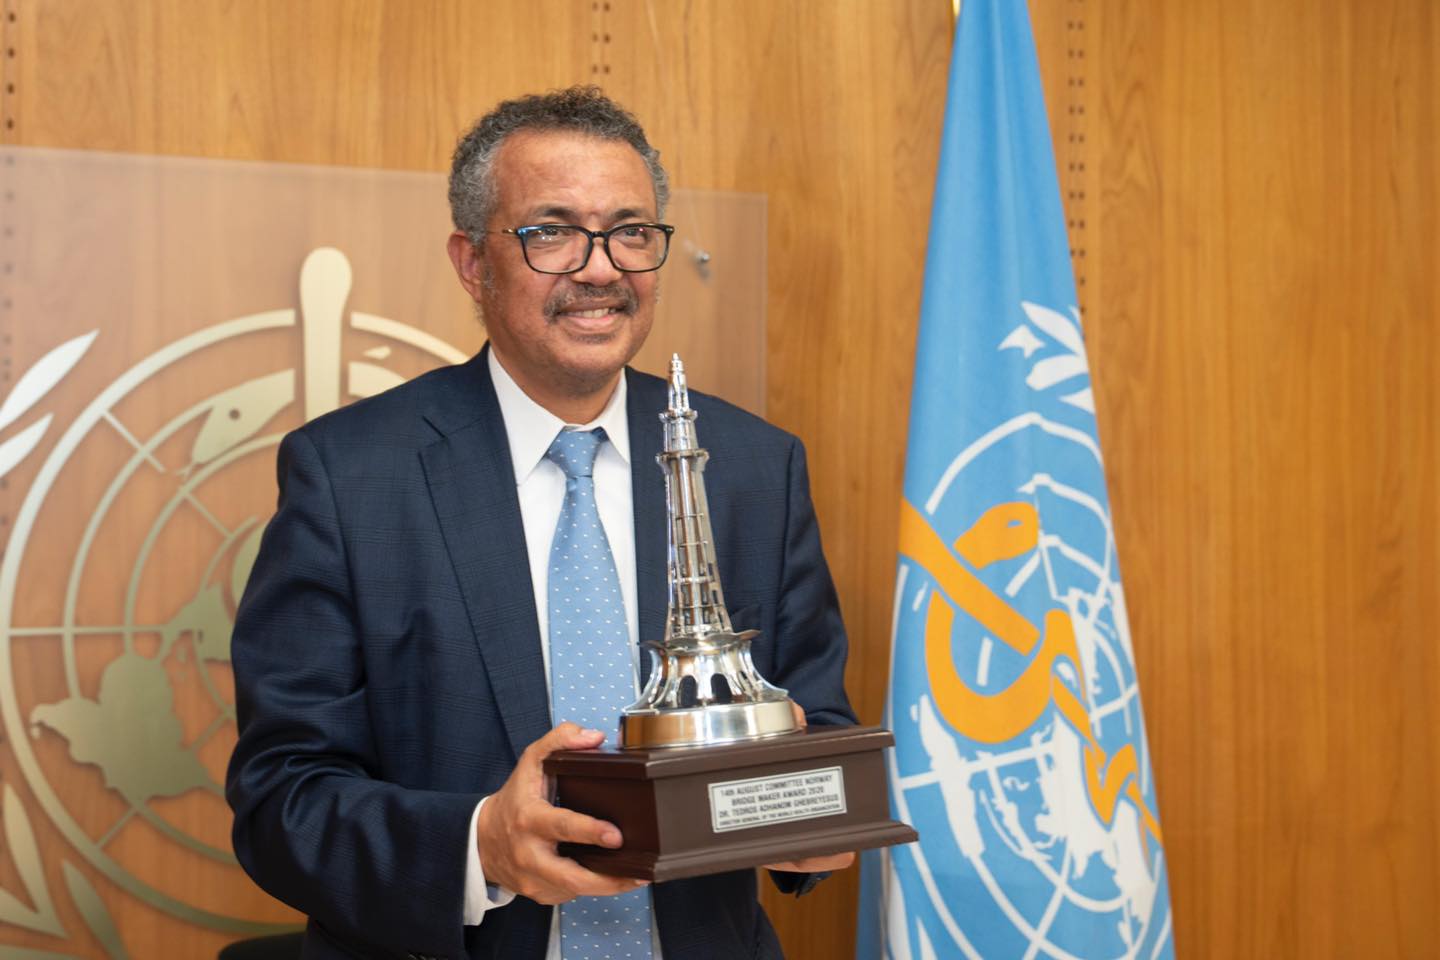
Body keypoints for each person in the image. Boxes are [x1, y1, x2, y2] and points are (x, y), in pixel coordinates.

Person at [227, 86, 855, 960]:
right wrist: (479, 845)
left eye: (630, 231)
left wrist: (816, 816)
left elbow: (818, 731)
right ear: (472, 263)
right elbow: (281, 798)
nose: (601, 269)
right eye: (551, 232)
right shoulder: (349, 477)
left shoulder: (753, 467)